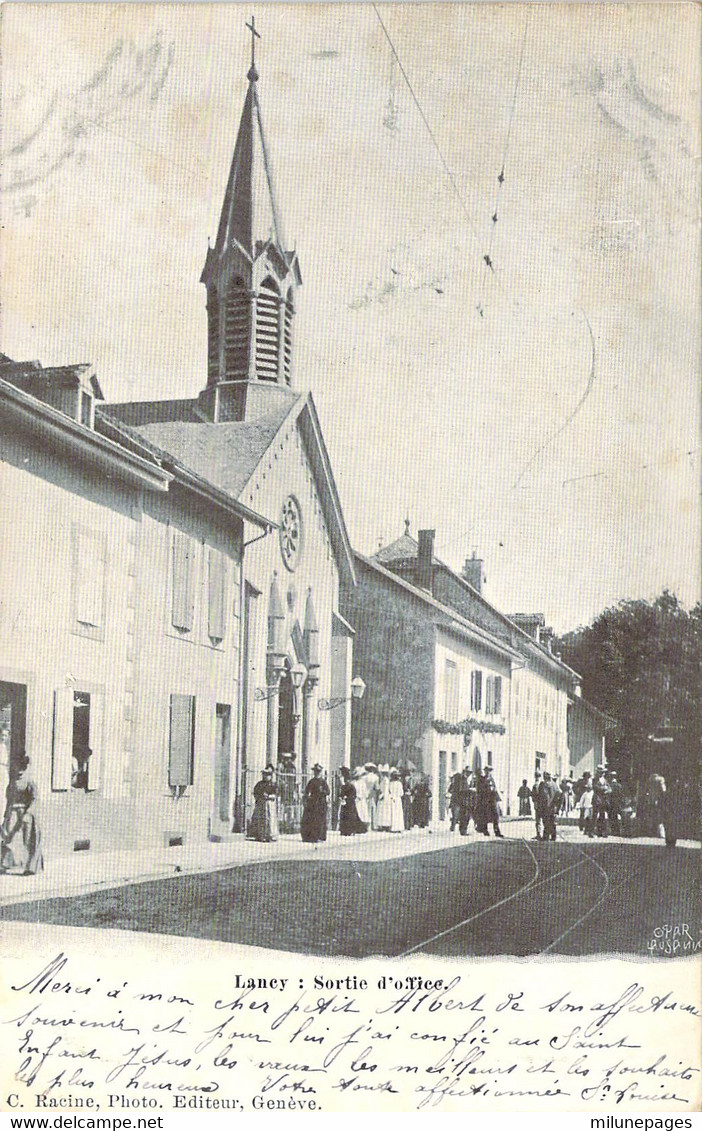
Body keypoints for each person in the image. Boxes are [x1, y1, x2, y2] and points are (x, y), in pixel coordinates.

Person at [0, 754, 43, 875]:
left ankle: (30, 867)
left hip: (25, 814)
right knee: (8, 837)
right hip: (12, 813)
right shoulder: (12, 782)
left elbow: (35, 799)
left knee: (27, 840)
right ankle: (5, 864)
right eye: (17, 767)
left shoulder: (29, 782)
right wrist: (6, 816)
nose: (19, 770)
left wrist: (28, 813)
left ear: (25, 767)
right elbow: (9, 799)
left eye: (21, 767)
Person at [300, 764, 329, 843]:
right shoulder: (311, 781)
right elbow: (307, 791)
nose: (317, 773)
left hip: (321, 803)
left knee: (320, 820)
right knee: (311, 819)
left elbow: (328, 792)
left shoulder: (323, 782)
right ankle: (310, 837)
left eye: (318, 772)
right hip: (312, 803)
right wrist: (307, 796)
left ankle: (320, 836)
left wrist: (322, 792)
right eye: (315, 772)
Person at [248, 767, 278, 842]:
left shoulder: (273, 784)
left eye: (268, 775)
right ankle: (260, 835)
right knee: (260, 819)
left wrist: (269, 796)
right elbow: (255, 792)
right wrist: (259, 797)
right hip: (261, 804)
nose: (266, 776)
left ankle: (270, 835)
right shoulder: (259, 784)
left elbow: (276, 793)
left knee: (270, 819)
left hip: (269, 804)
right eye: (264, 775)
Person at [477, 766, 504, 838]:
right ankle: (485, 830)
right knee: (485, 815)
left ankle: (497, 831)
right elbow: (480, 790)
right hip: (486, 799)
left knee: (496, 815)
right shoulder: (482, 779)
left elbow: (496, 788)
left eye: (490, 770)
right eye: (487, 770)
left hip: (493, 798)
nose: (488, 772)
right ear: (485, 771)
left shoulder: (493, 779)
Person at [338, 765, 366, 835]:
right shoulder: (345, 785)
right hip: (346, 803)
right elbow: (342, 793)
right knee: (345, 815)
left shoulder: (351, 786)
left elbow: (353, 794)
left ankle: (351, 829)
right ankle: (344, 829)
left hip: (350, 803)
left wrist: (347, 798)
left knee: (351, 815)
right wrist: (342, 797)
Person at [537, 771, 560, 841]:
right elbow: (559, 795)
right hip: (553, 807)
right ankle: (553, 836)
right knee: (552, 822)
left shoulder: (543, 785)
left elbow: (543, 796)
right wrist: (557, 806)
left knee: (546, 822)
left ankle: (546, 836)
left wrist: (540, 806)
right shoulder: (555, 785)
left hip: (545, 807)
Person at [592, 765, 611, 838]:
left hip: (604, 800)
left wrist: (608, 790)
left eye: (603, 772)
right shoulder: (595, 779)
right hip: (597, 799)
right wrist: (604, 788)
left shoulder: (605, 780)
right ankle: (592, 831)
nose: (602, 773)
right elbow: (595, 787)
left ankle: (602, 832)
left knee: (602, 816)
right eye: (601, 772)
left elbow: (609, 788)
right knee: (594, 816)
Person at [375, 764, 392, 830]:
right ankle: (382, 824)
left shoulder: (385, 780)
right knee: (382, 811)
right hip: (383, 795)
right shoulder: (383, 780)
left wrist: (382, 795)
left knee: (384, 810)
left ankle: (385, 825)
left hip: (385, 796)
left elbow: (386, 789)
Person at [607, 770, 623, 835]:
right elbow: (621, 795)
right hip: (616, 803)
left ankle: (614, 830)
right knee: (615, 816)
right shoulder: (619, 785)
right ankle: (616, 831)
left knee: (611, 816)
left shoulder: (609, 785)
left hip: (611, 803)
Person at [364, 763, 380, 829]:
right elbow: (377, 787)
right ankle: (373, 825)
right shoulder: (376, 777)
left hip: (364, 793)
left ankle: (367, 825)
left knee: (366, 809)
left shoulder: (364, 777)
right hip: (372, 793)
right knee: (372, 809)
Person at [531, 772, 544, 840]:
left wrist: (535, 803)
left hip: (538, 804)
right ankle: (544, 834)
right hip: (543, 804)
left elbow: (534, 795)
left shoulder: (535, 785)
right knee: (544, 820)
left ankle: (539, 834)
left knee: (538, 820)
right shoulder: (543, 784)